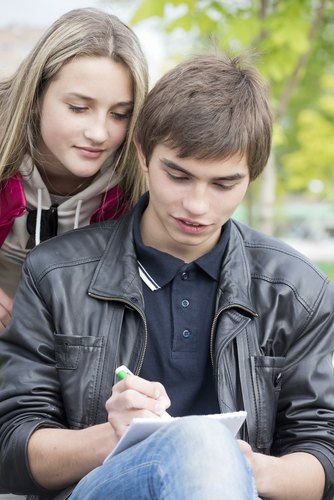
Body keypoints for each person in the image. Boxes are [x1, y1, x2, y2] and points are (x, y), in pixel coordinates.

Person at [0, 52, 333, 500]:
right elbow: (12, 449)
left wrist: (244, 468)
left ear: (251, 175)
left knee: (206, 448)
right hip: (102, 489)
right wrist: (111, 436)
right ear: (142, 151)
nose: (197, 205)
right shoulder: (56, 273)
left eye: (223, 184)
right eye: (178, 175)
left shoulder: (300, 290)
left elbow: (323, 452)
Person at [0, 7, 149, 332]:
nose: (99, 133)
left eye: (119, 114)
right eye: (79, 108)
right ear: (37, 94)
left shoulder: (140, 188)